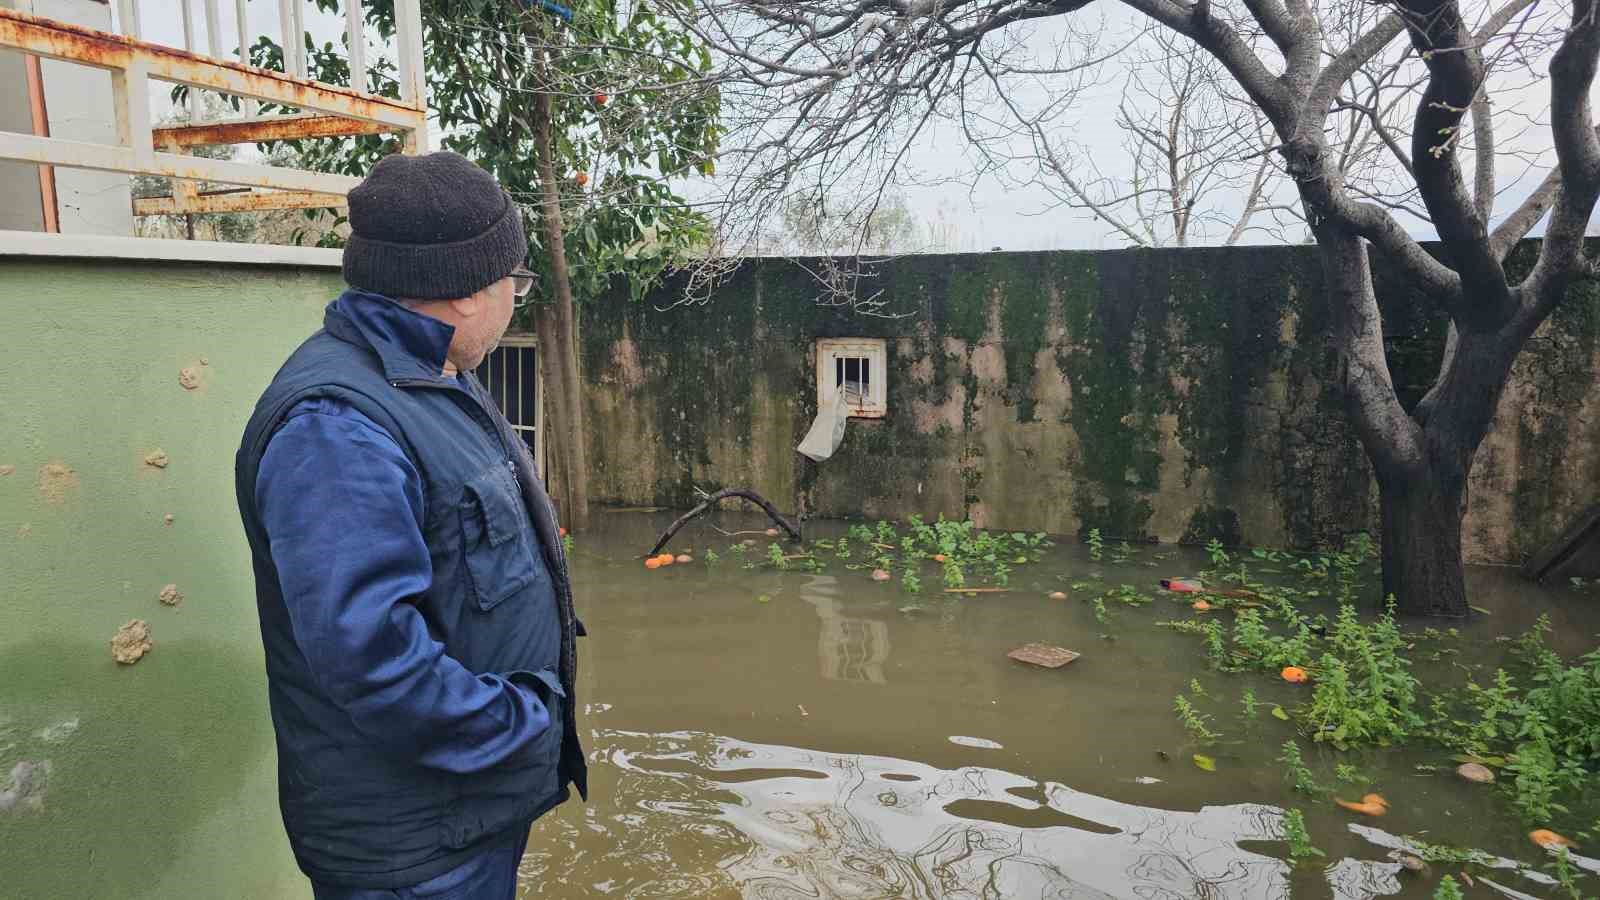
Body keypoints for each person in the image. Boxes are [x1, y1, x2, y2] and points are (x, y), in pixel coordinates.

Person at [234, 151, 585, 899]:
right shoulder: (338, 427)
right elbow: (372, 659)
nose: (514, 300)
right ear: (464, 293)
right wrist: (522, 722)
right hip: (416, 853)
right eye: (513, 283)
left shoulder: (432, 377)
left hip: (463, 817)